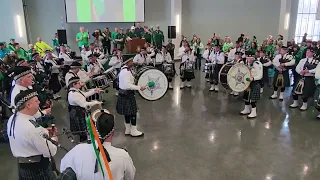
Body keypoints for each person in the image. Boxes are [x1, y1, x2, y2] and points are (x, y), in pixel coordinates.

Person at [59, 110, 135, 180]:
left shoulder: (77, 150)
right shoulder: (123, 156)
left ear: (94, 130)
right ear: (112, 133)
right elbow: (130, 177)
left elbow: (64, 168)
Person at [7, 89, 57, 179]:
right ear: (28, 105)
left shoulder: (13, 118)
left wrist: (44, 130)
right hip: (38, 169)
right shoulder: (30, 128)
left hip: (24, 166)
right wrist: (54, 138)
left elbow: (26, 136)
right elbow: (50, 150)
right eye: (36, 101)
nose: (39, 102)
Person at [116, 58, 146, 137]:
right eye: (131, 61)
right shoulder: (126, 72)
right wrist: (139, 87)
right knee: (133, 113)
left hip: (123, 94)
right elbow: (127, 85)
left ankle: (128, 130)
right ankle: (133, 131)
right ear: (127, 62)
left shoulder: (124, 70)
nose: (133, 62)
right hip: (127, 94)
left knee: (127, 113)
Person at [67, 76, 102, 142]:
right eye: (78, 83)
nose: (80, 83)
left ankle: (85, 137)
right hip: (77, 112)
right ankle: (85, 140)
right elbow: (85, 104)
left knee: (84, 127)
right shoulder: (73, 94)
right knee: (82, 129)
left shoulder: (76, 91)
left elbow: (85, 94)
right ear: (74, 84)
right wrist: (96, 102)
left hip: (78, 111)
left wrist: (94, 91)